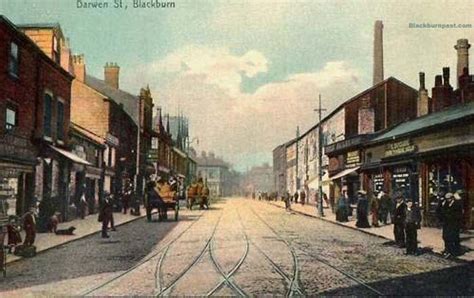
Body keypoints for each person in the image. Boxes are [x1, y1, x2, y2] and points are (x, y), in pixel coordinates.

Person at [438, 192, 463, 257]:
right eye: (446, 199)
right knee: (445, 236)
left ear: (452, 198)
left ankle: (454, 252)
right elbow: (441, 211)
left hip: (454, 224)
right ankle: (447, 249)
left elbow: (458, 215)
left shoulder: (457, 204)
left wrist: (449, 215)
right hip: (447, 223)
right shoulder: (446, 203)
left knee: (453, 238)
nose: (447, 200)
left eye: (449, 199)